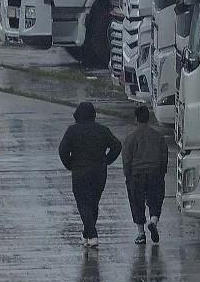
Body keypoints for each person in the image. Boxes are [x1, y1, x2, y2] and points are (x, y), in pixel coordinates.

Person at [58, 101, 121, 248]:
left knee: (83, 203)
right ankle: (86, 234)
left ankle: (92, 235)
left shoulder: (72, 131)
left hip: (80, 171)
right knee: (93, 203)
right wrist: (107, 160)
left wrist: (70, 164)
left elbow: (63, 150)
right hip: (99, 172)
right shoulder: (103, 130)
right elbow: (117, 146)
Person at [121, 105, 168, 244]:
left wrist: (128, 175)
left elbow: (127, 159)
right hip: (155, 172)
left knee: (137, 203)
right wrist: (162, 172)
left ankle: (141, 233)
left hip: (136, 174)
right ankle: (153, 221)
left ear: (136, 118)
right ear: (148, 118)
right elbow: (164, 156)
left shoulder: (130, 137)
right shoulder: (158, 136)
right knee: (155, 199)